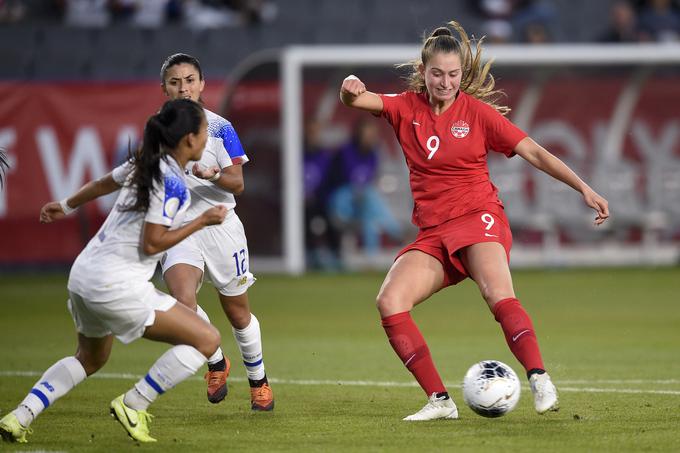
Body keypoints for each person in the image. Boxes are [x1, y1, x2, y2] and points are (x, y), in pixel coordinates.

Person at [339, 20, 609, 421]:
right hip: (433, 232)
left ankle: (539, 377)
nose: (445, 83)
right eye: (437, 74)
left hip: (478, 216)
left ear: (461, 74)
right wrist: (349, 87)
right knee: (390, 302)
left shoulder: (478, 114)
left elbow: (534, 152)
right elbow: (356, 101)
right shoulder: (403, 107)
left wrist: (583, 188)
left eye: (453, 74)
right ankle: (440, 401)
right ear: (423, 72)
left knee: (497, 296)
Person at [0, 99, 228, 443]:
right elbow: (153, 244)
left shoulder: (145, 163)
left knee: (90, 359)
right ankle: (134, 402)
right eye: (202, 132)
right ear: (189, 140)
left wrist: (65, 205)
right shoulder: (173, 185)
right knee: (207, 340)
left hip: (83, 276)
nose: (206, 139)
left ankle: (20, 416)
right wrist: (202, 220)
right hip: (116, 284)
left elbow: (105, 182)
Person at [158, 53, 273, 410]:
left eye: (190, 80)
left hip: (221, 225)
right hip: (180, 227)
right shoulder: (157, 130)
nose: (183, 88)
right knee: (183, 304)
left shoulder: (220, 127)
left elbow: (237, 183)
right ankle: (216, 361)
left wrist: (209, 175)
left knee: (237, 312)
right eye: (175, 82)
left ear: (202, 84)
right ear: (165, 88)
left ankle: (259, 380)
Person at [327, 119, 402, 259]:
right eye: (367, 134)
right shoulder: (345, 152)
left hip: (362, 205)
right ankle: (396, 232)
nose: (370, 137)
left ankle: (371, 257)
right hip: (342, 203)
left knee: (369, 214)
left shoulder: (373, 154)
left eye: (372, 134)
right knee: (369, 195)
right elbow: (349, 180)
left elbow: (370, 179)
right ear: (358, 134)